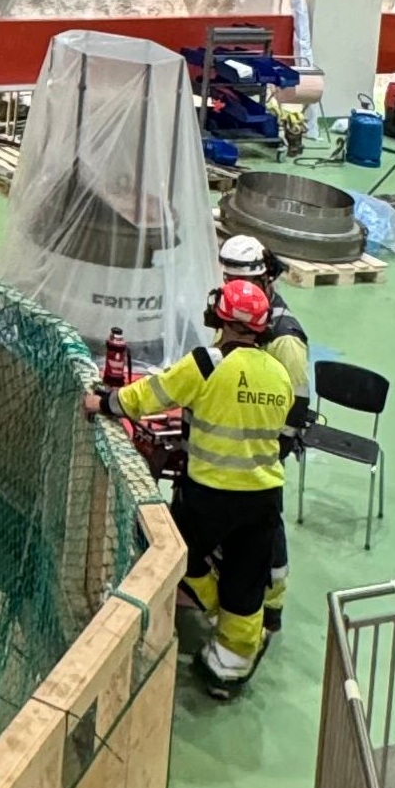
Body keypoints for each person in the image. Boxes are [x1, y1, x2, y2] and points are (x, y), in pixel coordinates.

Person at [87, 278, 294, 693]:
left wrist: (104, 402)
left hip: (210, 495)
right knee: (246, 578)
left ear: (223, 318)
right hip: (264, 497)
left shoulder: (208, 363)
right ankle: (230, 665)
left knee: (169, 551)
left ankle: (199, 610)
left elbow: (152, 394)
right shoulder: (278, 373)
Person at [212, 234, 310, 633]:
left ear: (264, 280)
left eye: (244, 285)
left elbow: (296, 406)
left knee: (265, 524)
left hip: (260, 451)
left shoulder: (284, 338)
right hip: (232, 442)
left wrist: (270, 452)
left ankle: (271, 605)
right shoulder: (236, 312)